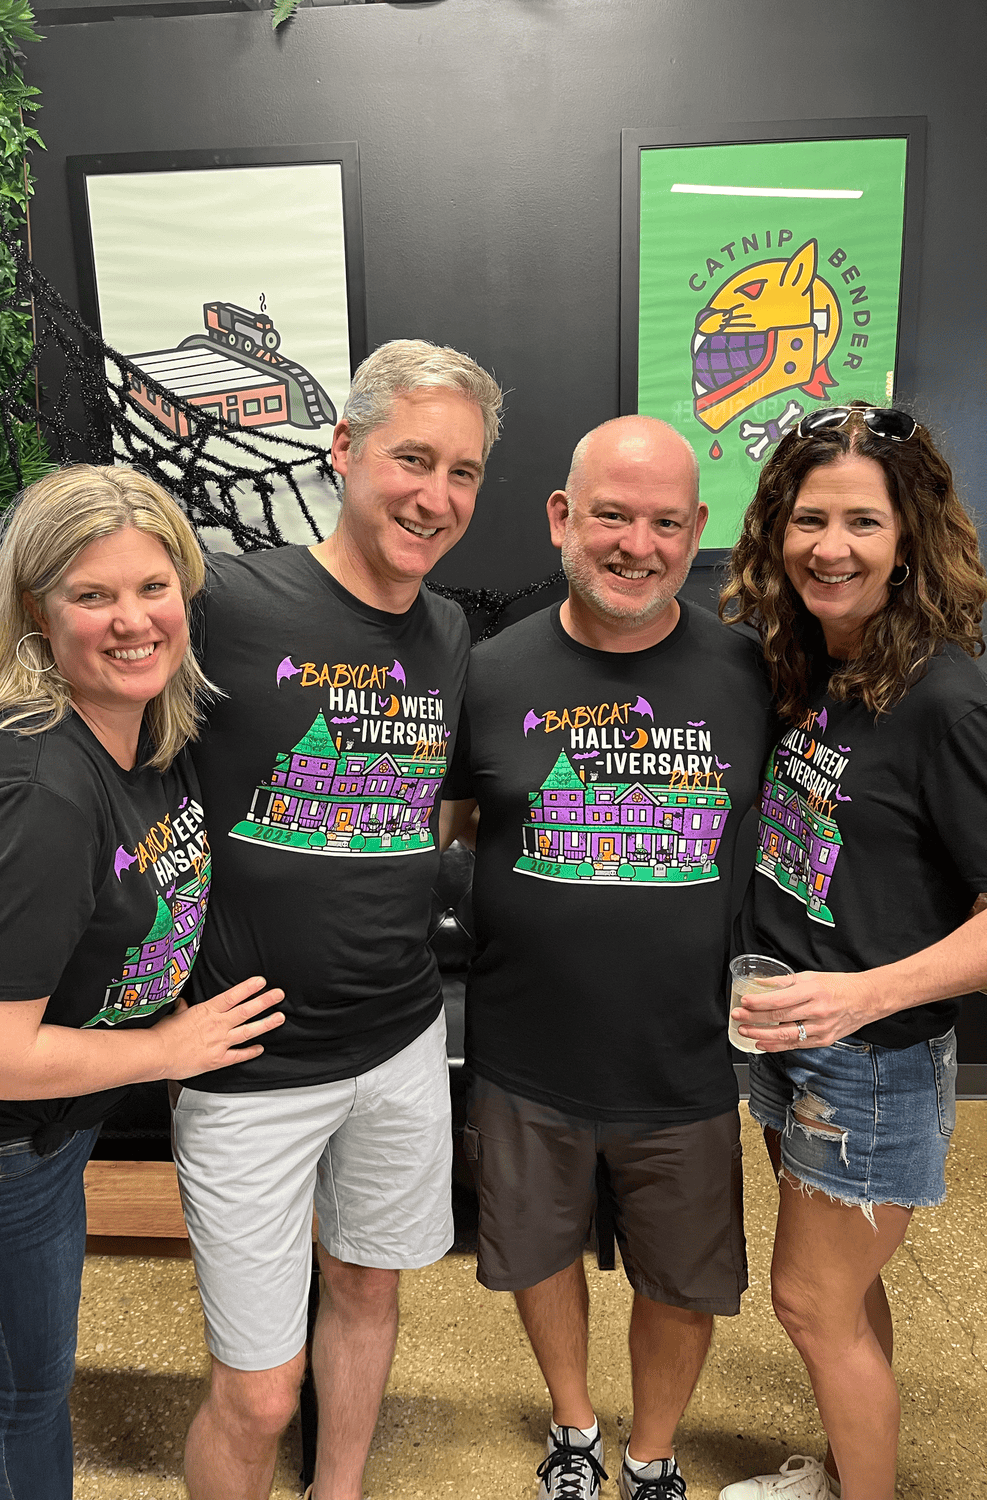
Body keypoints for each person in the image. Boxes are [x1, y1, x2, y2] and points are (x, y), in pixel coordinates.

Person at [0, 465, 285, 1500]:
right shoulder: (40, 792)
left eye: (153, 587)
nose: (133, 620)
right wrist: (166, 1048)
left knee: (10, 1336)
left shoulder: (135, 710)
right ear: (38, 615)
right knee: (28, 1384)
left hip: (47, 1116)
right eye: (92, 595)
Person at [442, 416, 774, 1500]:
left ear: (697, 528)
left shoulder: (751, 673)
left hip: (683, 1054)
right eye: (613, 516)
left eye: (665, 523)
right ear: (561, 518)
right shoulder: (487, 673)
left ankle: (652, 1455)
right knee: (536, 1251)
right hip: (524, 1049)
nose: (638, 544)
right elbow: (445, 827)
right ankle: (575, 1431)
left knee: (682, 1278)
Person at [717, 403, 987, 1500]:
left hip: (868, 1058)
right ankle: (843, 1472)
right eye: (810, 519)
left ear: (908, 536)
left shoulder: (948, 700)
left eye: (862, 523)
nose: (831, 547)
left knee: (809, 1301)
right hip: (789, 1028)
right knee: (843, 1292)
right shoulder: (809, 664)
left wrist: (860, 997)